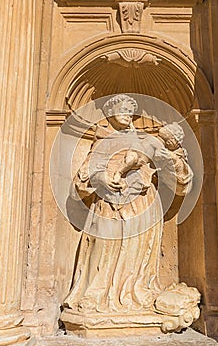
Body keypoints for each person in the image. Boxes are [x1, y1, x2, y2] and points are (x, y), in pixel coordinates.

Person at [63, 94, 194, 321]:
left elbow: (181, 181)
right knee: (103, 249)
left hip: (143, 204)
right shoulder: (103, 142)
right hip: (108, 204)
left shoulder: (147, 141)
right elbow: (81, 180)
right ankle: (96, 295)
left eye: (128, 109)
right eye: (120, 109)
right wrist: (101, 178)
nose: (125, 113)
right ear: (110, 113)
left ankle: (136, 293)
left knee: (137, 252)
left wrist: (173, 163)